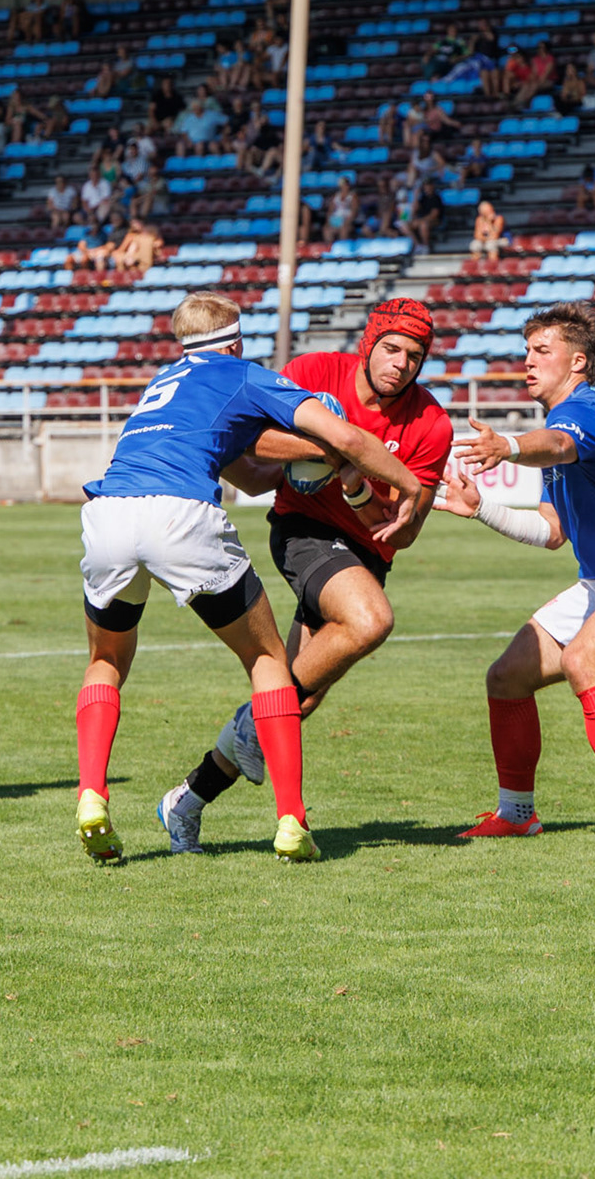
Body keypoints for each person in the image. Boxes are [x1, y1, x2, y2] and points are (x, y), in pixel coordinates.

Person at [73, 291, 422, 864]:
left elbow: (254, 478)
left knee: (105, 659)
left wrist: (304, 460)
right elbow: (347, 436)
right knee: (266, 664)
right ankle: (291, 822)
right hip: (177, 512)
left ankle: (92, 794)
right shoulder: (241, 373)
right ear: (234, 339)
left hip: (107, 510)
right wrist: (403, 484)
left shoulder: (163, 382)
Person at [156, 301, 453, 854]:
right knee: (370, 620)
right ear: (369, 343)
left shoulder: (432, 424)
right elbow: (250, 442)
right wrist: (336, 446)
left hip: (364, 557)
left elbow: (403, 533)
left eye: (415, 356)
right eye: (391, 348)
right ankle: (252, 723)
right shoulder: (316, 372)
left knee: (294, 704)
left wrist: (356, 485)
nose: (401, 364)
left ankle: (186, 800)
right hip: (303, 529)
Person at [440, 301, 595, 845]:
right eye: (526, 350)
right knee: (506, 678)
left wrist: (505, 446)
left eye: (541, 351)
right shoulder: (560, 427)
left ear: (578, 362)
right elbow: (552, 532)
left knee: (583, 658)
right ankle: (516, 812)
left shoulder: (587, 414)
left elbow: (556, 444)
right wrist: (480, 508)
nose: (527, 361)